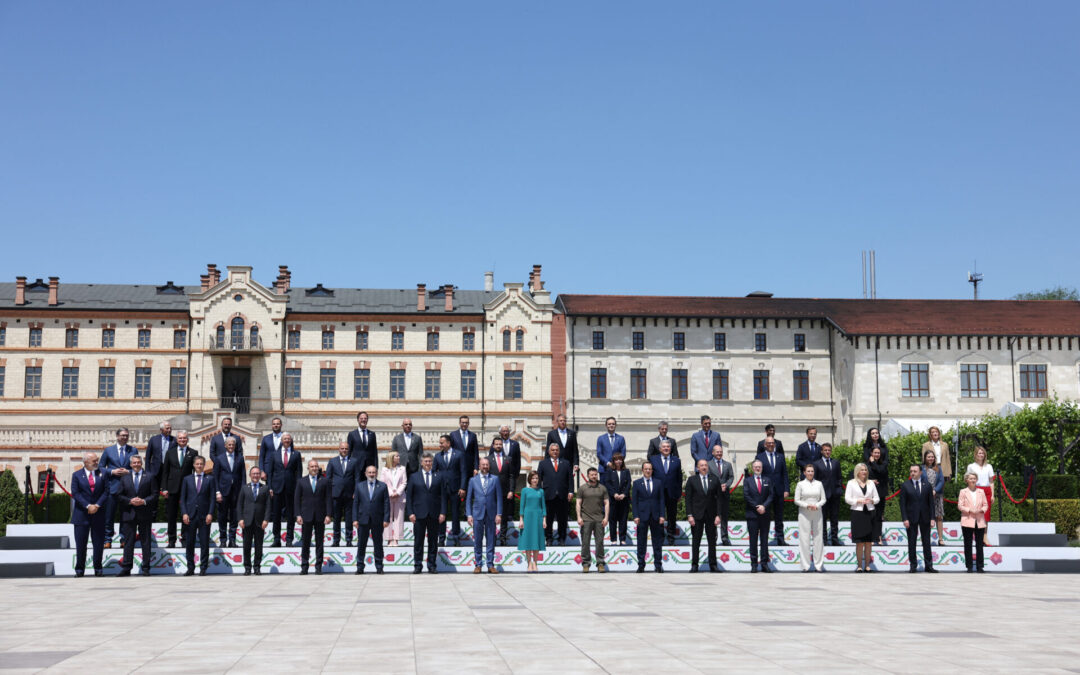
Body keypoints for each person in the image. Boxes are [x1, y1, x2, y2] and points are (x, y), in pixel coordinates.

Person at [405, 453, 446, 574]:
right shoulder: (414, 477)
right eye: (426, 461)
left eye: (430, 461)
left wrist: (443, 512)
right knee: (418, 541)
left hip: (434, 513)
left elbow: (443, 496)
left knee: (433, 541)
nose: (428, 463)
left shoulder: (439, 476)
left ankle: (432, 565)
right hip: (418, 514)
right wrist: (410, 513)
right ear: (421, 463)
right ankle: (418, 565)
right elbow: (409, 497)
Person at [117, 454, 156, 576]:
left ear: (142, 463)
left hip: (145, 513)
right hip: (129, 513)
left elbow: (154, 494)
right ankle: (127, 567)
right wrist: (130, 501)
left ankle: (146, 567)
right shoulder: (124, 478)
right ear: (130, 464)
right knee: (128, 542)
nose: (136, 464)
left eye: (138, 462)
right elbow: (119, 495)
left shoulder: (150, 476)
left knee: (145, 541)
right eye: (134, 462)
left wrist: (143, 501)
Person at [71, 452, 108, 577]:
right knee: (81, 544)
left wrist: (97, 505)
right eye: (94, 461)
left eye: (97, 460)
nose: (97, 463)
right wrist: (88, 506)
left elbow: (106, 492)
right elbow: (76, 493)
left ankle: (98, 568)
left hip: (99, 514)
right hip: (81, 515)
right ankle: (80, 569)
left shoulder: (102, 474)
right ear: (86, 462)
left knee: (98, 544)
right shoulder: (76, 475)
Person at [99, 427, 137, 548]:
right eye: (123, 435)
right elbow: (100, 467)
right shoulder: (108, 450)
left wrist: (129, 471)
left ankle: (123, 539)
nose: (125, 437)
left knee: (125, 516)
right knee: (109, 516)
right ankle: (107, 539)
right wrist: (112, 471)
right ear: (117, 436)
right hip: (112, 488)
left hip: (127, 489)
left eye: (127, 435)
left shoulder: (133, 450)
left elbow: (137, 467)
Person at [160, 430, 197, 547]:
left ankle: (185, 538)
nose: (182, 440)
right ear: (177, 439)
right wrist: (164, 488)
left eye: (184, 438)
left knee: (186, 514)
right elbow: (165, 472)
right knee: (171, 515)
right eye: (180, 438)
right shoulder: (170, 453)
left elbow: (195, 471)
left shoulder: (193, 452)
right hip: (172, 488)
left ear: (187, 439)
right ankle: (171, 540)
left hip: (187, 488)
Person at [180, 456, 216, 576]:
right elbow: (183, 499)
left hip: (204, 516)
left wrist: (210, 513)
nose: (199, 466)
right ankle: (190, 567)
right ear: (194, 465)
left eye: (201, 464)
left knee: (204, 543)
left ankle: (203, 568)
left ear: (204, 465)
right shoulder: (187, 479)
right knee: (189, 543)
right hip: (190, 516)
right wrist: (184, 513)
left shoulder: (210, 479)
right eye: (197, 464)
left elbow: (212, 499)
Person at [466, 457, 503, 574]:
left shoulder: (495, 479)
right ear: (479, 466)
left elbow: (499, 498)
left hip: (492, 514)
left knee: (491, 540)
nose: (485, 466)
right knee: (477, 540)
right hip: (477, 514)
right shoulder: (473, 480)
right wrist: (469, 514)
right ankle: (478, 564)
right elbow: (468, 499)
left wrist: (499, 513)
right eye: (483, 464)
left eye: (487, 464)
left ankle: (490, 564)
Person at [295, 459, 332, 575]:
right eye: (312, 466)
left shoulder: (325, 481)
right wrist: (298, 515)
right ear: (308, 468)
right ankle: (304, 566)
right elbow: (296, 499)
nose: (314, 468)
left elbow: (328, 499)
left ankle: (318, 567)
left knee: (319, 542)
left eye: (316, 466)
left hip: (320, 516)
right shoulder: (301, 481)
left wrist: (328, 515)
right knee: (305, 542)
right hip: (306, 516)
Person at [685, 459, 722, 573]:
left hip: (711, 515)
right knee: (696, 541)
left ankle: (713, 565)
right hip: (697, 515)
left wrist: (718, 515)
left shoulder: (715, 480)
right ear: (697, 468)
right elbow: (688, 499)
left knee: (712, 541)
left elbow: (719, 499)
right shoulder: (692, 480)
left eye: (706, 465)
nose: (704, 467)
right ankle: (694, 565)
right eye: (701, 465)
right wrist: (689, 515)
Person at [353, 464, 390, 574]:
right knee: (361, 544)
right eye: (369, 472)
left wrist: (386, 519)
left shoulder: (382, 486)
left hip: (378, 520)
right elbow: (355, 503)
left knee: (378, 544)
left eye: (373, 472)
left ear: (376, 473)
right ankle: (360, 567)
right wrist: (355, 519)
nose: (371, 474)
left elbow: (386, 504)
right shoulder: (359, 486)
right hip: (362, 519)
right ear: (365, 473)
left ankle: (379, 566)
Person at [267, 432, 302, 546]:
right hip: (277, 488)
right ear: (281, 441)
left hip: (291, 488)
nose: (286, 440)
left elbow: (299, 473)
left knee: (290, 515)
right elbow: (270, 472)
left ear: (291, 441)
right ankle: (276, 539)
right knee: (276, 514)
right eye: (285, 439)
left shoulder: (296, 454)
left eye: (288, 439)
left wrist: (298, 488)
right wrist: (270, 487)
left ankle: (289, 539)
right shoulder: (274, 454)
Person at [900, 465, 937, 573]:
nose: (912, 473)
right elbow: (902, 504)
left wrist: (932, 518)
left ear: (920, 472)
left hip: (925, 517)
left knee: (926, 542)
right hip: (911, 518)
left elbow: (931, 504)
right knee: (912, 542)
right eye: (911, 471)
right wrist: (905, 518)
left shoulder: (927, 485)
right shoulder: (905, 485)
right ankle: (913, 565)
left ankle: (929, 566)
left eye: (915, 471)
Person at [845, 463, 880, 572]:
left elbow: (877, 498)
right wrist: (857, 501)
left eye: (865, 470)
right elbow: (847, 499)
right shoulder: (851, 483)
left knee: (869, 542)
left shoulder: (871, 483)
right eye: (862, 470)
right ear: (857, 472)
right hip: (858, 513)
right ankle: (860, 565)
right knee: (859, 542)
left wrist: (872, 501)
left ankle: (867, 566)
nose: (864, 472)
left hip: (870, 513)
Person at [537, 443, 574, 545]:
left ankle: (562, 539)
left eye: (556, 450)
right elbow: (538, 479)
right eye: (553, 450)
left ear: (559, 451)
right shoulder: (543, 463)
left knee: (562, 519)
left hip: (562, 495)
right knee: (548, 519)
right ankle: (548, 539)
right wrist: (539, 492)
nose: (555, 452)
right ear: (549, 452)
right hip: (548, 495)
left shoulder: (566, 463)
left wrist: (571, 491)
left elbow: (570, 479)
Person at [434, 433, 467, 545]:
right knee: (442, 514)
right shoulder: (437, 456)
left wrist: (462, 487)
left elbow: (463, 472)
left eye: (442, 443)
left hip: (455, 489)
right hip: (441, 490)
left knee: (455, 514)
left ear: (448, 443)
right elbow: (434, 473)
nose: (440, 445)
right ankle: (441, 538)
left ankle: (456, 537)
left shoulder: (459, 454)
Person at [755, 436, 789, 546]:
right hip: (765, 492)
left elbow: (784, 474)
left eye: (772, 443)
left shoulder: (780, 456)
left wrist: (786, 489)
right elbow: (758, 474)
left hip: (779, 491)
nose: (770, 444)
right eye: (768, 443)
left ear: (775, 444)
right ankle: (764, 540)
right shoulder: (759, 457)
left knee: (779, 516)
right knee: (765, 517)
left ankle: (780, 539)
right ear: (765, 444)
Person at [632, 461, 665, 573]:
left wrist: (662, 515)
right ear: (642, 470)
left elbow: (661, 500)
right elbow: (634, 501)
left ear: (652, 470)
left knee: (657, 542)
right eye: (646, 469)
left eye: (650, 469)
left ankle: (658, 565)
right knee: (641, 542)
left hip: (655, 516)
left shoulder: (658, 483)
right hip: (642, 516)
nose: (648, 471)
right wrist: (635, 515)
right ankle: (641, 565)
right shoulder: (636, 483)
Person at [575, 467, 610, 573]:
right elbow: (578, 503)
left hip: (599, 519)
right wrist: (579, 517)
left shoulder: (602, 488)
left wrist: (606, 517)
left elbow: (607, 503)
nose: (594, 476)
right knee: (585, 542)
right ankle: (586, 563)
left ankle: (600, 563)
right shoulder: (582, 488)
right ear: (588, 475)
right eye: (592, 474)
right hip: (586, 519)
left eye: (595, 474)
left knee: (599, 542)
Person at [213, 437, 245, 547]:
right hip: (222, 492)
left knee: (234, 516)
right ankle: (222, 540)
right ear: (225, 446)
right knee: (222, 515)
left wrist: (243, 491)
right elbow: (215, 477)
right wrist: (217, 491)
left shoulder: (240, 458)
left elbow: (243, 476)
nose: (231, 446)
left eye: (233, 445)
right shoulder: (219, 458)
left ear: (235, 446)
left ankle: (232, 540)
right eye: (229, 445)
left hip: (236, 491)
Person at [236, 466, 269, 575]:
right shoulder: (244, 488)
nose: (255, 475)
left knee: (259, 546)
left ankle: (257, 567)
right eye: (253, 474)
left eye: (257, 474)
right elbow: (239, 505)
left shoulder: (265, 488)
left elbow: (268, 506)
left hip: (260, 522)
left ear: (260, 475)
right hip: (247, 521)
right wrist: (240, 519)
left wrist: (266, 519)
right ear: (250, 475)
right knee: (247, 546)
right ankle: (247, 568)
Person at [794, 464, 826, 572]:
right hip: (804, 513)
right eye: (808, 471)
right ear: (804, 472)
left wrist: (816, 505)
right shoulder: (800, 484)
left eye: (812, 471)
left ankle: (818, 565)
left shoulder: (819, 484)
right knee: (804, 539)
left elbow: (823, 499)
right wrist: (807, 505)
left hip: (817, 512)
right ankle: (805, 566)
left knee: (818, 539)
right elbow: (796, 500)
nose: (810, 473)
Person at [489, 436, 520, 546]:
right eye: (496, 444)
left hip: (505, 492)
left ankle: (503, 538)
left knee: (504, 516)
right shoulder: (488, 459)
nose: (498, 446)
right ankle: (491, 538)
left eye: (500, 444)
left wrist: (511, 490)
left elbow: (512, 476)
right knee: (491, 516)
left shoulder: (508, 459)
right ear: (493, 446)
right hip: (491, 493)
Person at [650, 440, 683, 544]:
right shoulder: (653, 459)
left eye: (668, 447)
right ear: (660, 449)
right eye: (664, 447)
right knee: (658, 515)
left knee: (672, 515)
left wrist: (679, 493)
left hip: (672, 492)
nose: (666, 448)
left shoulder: (676, 460)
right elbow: (650, 475)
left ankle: (671, 536)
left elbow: (679, 478)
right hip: (657, 493)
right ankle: (659, 536)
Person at [325, 441, 357, 547]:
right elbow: (328, 478)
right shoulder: (332, 461)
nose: (344, 450)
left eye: (346, 449)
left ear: (349, 450)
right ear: (339, 449)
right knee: (337, 519)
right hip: (336, 494)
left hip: (349, 494)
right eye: (342, 448)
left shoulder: (354, 461)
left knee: (349, 518)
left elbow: (357, 478)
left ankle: (349, 540)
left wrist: (356, 492)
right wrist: (328, 493)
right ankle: (336, 540)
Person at [743, 460, 773, 573]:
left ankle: (764, 563)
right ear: (752, 468)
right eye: (755, 467)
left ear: (762, 468)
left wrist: (764, 506)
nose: (757, 468)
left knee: (764, 540)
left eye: (759, 467)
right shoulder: (747, 481)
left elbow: (771, 495)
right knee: (753, 540)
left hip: (765, 514)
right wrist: (757, 507)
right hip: (752, 515)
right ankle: (754, 564)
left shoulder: (767, 480)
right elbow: (746, 495)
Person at [812, 444, 844, 546]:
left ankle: (834, 539)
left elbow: (839, 477)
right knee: (822, 518)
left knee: (834, 518)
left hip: (835, 495)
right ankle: (824, 540)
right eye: (825, 450)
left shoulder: (835, 463)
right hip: (822, 496)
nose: (827, 452)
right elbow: (815, 480)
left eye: (829, 450)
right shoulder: (816, 464)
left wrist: (839, 489)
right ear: (821, 451)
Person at [958, 471, 988, 573]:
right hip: (967, 520)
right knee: (968, 544)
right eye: (971, 478)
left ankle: (980, 566)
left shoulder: (981, 492)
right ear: (967, 480)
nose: (973, 480)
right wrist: (969, 510)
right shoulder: (963, 492)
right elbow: (960, 506)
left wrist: (981, 510)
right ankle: (969, 566)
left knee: (979, 545)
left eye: (974, 478)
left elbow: (985, 505)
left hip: (979, 520)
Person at [517, 471, 547, 573]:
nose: (535, 480)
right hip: (527, 517)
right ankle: (529, 563)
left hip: (538, 517)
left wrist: (544, 520)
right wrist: (521, 519)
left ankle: (535, 562)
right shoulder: (524, 490)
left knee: (536, 540)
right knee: (528, 540)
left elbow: (543, 506)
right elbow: (522, 506)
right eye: (533, 478)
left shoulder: (541, 491)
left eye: (537, 478)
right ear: (529, 479)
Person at [967, 446, 995, 547]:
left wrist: (992, 495)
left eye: (983, 453)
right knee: (976, 515)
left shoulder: (989, 466)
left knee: (986, 515)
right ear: (975, 454)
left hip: (987, 491)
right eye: (979, 453)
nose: (981, 455)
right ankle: (976, 536)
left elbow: (991, 482)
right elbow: (969, 480)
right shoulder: (971, 466)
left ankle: (985, 537)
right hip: (976, 490)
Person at [707, 445, 734, 545]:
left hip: (724, 494)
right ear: (713, 453)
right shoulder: (708, 464)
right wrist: (717, 487)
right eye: (717, 452)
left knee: (724, 516)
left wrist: (726, 485)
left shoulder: (728, 464)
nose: (719, 453)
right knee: (713, 516)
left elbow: (731, 477)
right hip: (713, 495)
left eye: (720, 452)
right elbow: (707, 477)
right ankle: (713, 538)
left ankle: (724, 538)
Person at [380, 450, 407, 546]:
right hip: (388, 496)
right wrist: (391, 492)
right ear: (391, 458)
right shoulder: (384, 470)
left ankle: (396, 539)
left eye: (398, 456)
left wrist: (398, 492)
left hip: (400, 497)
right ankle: (388, 539)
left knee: (399, 518)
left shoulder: (402, 469)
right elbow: (383, 483)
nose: (399, 458)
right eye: (397, 456)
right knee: (388, 517)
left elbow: (404, 482)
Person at [604, 453, 630, 545]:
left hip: (624, 500)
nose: (618, 461)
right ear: (613, 461)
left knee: (623, 520)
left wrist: (624, 494)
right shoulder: (610, 471)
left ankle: (622, 539)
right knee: (613, 520)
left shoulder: (626, 471)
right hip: (613, 499)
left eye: (620, 459)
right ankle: (613, 539)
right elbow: (607, 483)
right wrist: (614, 494)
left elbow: (628, 484)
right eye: (616, 459)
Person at [867, 446, 889, 546]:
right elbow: (859, 477)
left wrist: (873, 463)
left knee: (879, 516)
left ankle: (879, 537)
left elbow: (880, 471)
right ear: (871, 453)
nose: (877, 455)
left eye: (878, 453)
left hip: (880, 493)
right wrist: (870, 481)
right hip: (869, 493)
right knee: (871, 515)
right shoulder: (866, 465)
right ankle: (871, 537)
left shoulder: (883, 463)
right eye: (875, 453)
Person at [922, 449, 946, 545]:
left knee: (939, 517)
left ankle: (940, 539)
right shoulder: (922, 468)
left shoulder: (938, 468)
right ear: (925, 458)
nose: (930, 458)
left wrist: (935, 490)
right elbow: (920, 480)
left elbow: (941, 481)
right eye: (929, 457)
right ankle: (925, 538)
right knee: (925, 517)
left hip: (937, 495)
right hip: (925, 496)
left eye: (932, 457)